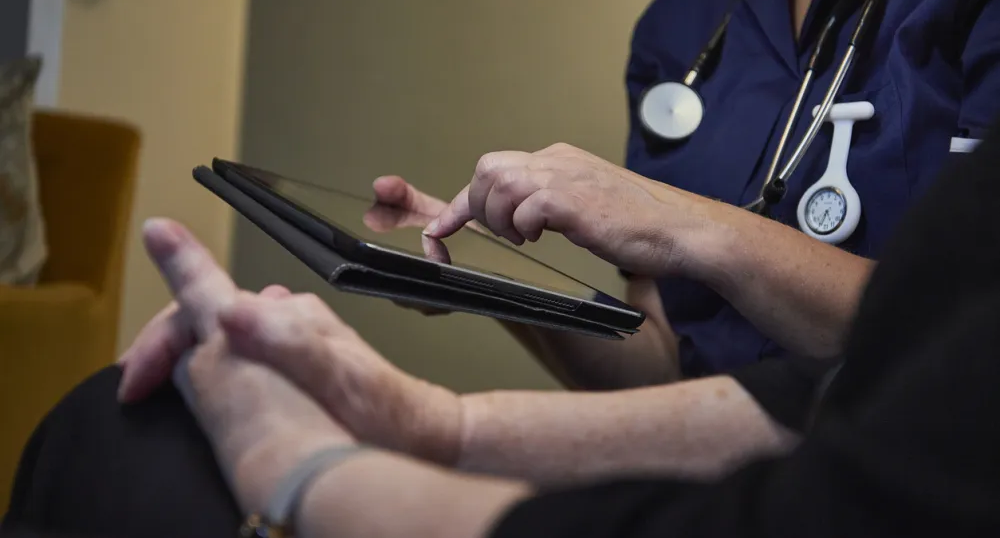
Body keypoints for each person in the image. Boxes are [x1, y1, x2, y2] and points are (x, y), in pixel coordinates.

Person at [5, 115, 1000, 538]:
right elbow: (679, 373)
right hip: (700, 451)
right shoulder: (693, 16)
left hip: (753, 494)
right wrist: (449, 395)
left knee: (135, 447)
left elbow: (904, 421)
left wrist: (308, 468)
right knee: (127, 414)